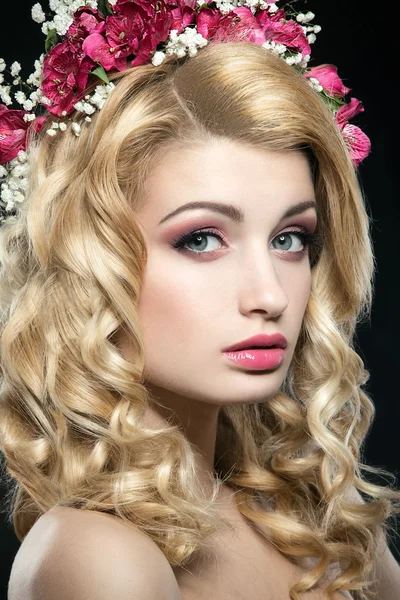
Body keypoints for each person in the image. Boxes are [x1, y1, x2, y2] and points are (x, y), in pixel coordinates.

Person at [0, 1, 399, 599]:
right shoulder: (97, 555)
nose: (269, 295)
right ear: (92, 260)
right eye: (201, 239)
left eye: (291, 239)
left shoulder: (324, 523)